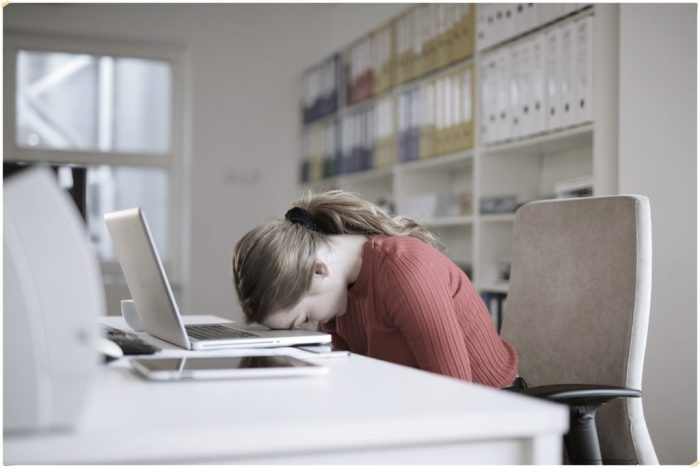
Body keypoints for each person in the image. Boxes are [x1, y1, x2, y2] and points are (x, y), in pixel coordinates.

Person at [232, 190, 519, 388]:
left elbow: (454, 395)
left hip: (492, 411)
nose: (312, 328)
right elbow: (356, 378)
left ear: (318, 270)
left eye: (304, 319)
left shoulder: (404, 270)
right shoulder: (337, 293)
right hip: (415, 405)